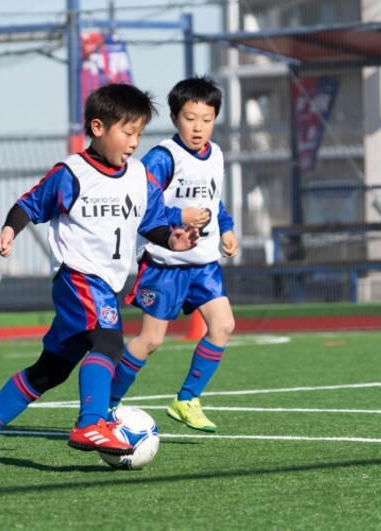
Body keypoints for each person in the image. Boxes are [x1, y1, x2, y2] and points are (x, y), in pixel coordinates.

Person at [0, 83, 204, 467]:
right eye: (127, 132)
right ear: (98, 128)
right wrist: (9, 229)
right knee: (109, 343)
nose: (134, 142)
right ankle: (91, 423)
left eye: (139, 133)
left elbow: (151, 222)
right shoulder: (72, 173)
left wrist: (174, 238)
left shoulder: (139, 177)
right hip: (79, 278)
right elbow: (29, 204)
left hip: (106, 284)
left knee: (50, 371)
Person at [110, 75, 239, 432]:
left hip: (204, 264)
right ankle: (104, 406)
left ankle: (186, 399)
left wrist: (226, 227)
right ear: (174, 118)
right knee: (150, 340)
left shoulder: (216, 155)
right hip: (165, 264)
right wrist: (179, 216)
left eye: (207, 119)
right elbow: (139, 206)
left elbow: (213, 200)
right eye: (189, 118)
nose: (198, 128)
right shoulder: (163, 158)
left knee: (223, 325)